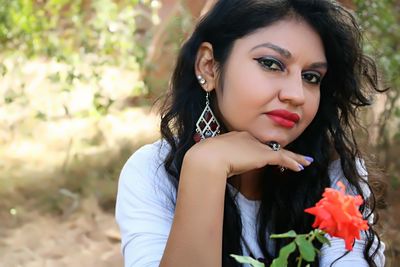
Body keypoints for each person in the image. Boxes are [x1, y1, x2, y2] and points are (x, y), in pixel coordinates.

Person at [115, 0, 387, 266]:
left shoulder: (334, 173)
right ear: (208, 66)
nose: (296, 95)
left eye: (311, 77)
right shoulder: (152, 172)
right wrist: (205, 167)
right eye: (271, 64)